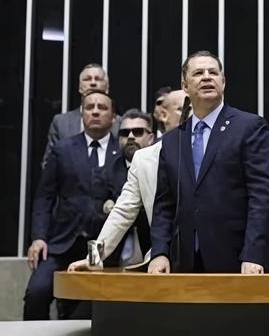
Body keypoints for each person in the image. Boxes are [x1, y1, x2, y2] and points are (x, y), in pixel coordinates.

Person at [148, 51, 269, 274]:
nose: (207, 77)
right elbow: (164, 205)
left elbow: (263, 195)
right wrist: (160, 252)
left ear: (223, 82)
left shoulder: (249, 127)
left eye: (213, 72)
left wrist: (253, 254)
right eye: (198, 73)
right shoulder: (172, 141)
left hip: (239, 260)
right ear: (185, 86)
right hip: (184, 262)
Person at [23, 91, 119, 320]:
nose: (95, 112)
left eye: (102, 107)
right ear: (82, 114)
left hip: (100, 246)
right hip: (62, 241)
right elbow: (44, 197)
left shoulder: (121, 152)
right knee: (37, 292)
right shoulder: (63, 149)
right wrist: (39, 237)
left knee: (87, 303)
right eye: (90, 107)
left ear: (114, 117)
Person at [68, 91, 188, 272]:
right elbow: (122, 211)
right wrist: (93, 257)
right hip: (163, 259)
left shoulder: (216, 150)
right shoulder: (143, 159)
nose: (191, 114)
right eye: (183, 108)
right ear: (163, 115)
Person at [98, 109, 156, 267]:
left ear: (151, 138)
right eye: (124, 133)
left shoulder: (162, 165)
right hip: (113, 250)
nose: (130, 136)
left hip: (154, 247)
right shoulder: (107, 169)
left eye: (138, 132)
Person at [41, 63, 120, 168]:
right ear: (80, 87)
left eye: (98, 79)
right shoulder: (61, 123)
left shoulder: (121, 123)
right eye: (87, 79)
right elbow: (48, 164)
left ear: (107, 87)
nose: (93, 83)